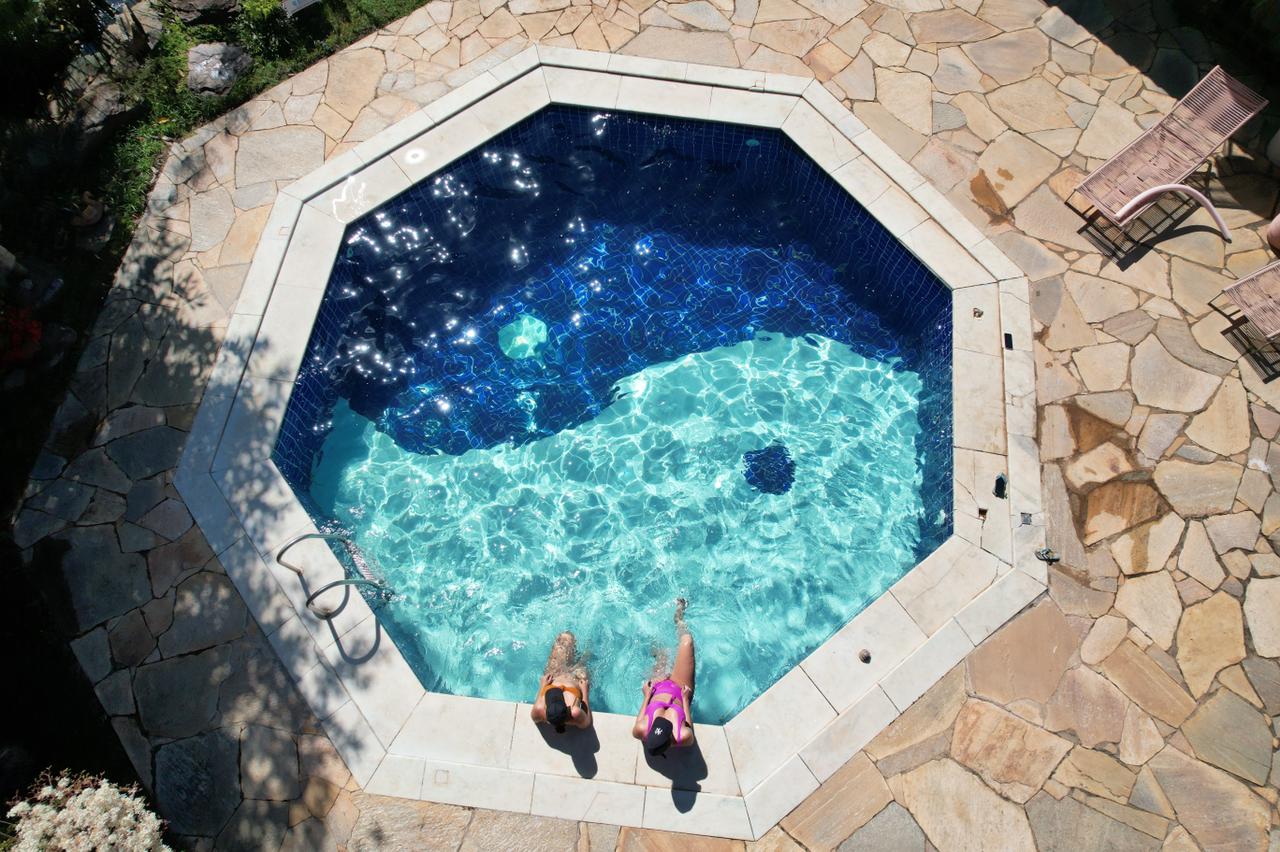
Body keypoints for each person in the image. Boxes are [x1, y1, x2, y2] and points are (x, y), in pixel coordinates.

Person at [632, 598, 695, 757]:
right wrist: (686, 700)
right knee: (687, 642)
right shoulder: (684, 737)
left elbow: (641, 716)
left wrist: (647, 695)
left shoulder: (640, 730)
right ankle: (679, 619)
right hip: (680, 689)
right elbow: (688, 725)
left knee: (662, 651)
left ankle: (646, 618)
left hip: (658, 687)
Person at [531, 631, 593, 733]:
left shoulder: (538, 711)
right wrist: (585, 692)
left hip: (554, 674)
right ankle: (586, 647)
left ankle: (567, 640)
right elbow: (587, 722)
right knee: (583, 665)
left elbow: (539, 698)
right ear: (567, 709)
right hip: (574, 678)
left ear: (546, 710)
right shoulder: (575, 712)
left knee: (562, 641)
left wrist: (543, 686)